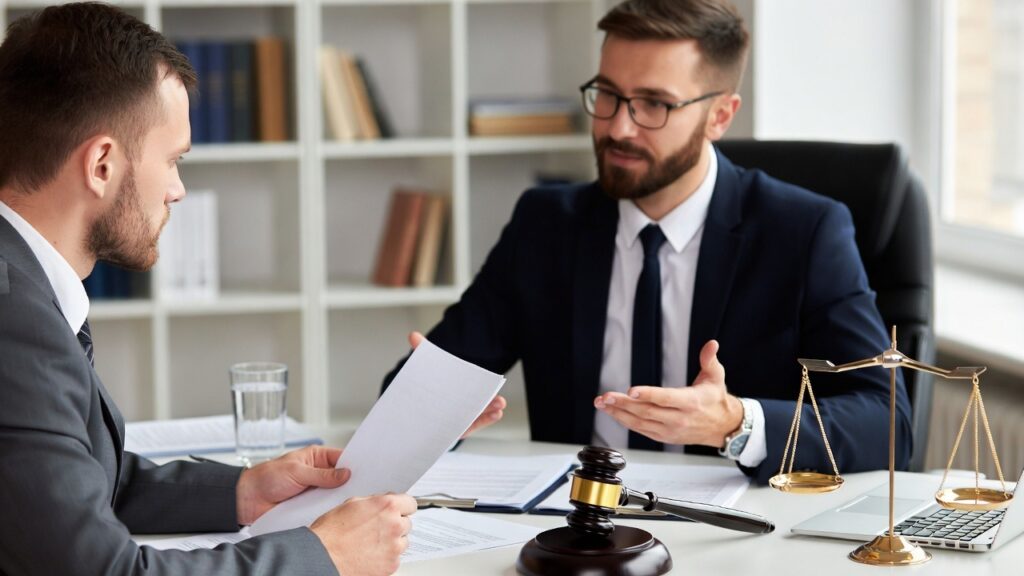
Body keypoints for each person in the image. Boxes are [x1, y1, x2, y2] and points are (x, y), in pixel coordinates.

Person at [386, 0, 910, 484]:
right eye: (608, 95)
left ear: (720, 115)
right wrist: (430, 402)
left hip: (734, 531)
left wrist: (736, 422)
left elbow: (888, 423)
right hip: (576, 530)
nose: (618, 127)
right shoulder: (546, 225)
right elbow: (407, 396)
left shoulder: (804, 232)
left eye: (653, 105)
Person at [0, 4, 414, 575]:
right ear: (101, 164)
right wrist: (326, 556)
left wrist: (244, 490)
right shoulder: (14, 320)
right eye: (173, 161)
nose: (178, 190)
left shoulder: (22, 281)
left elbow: (70, 481)